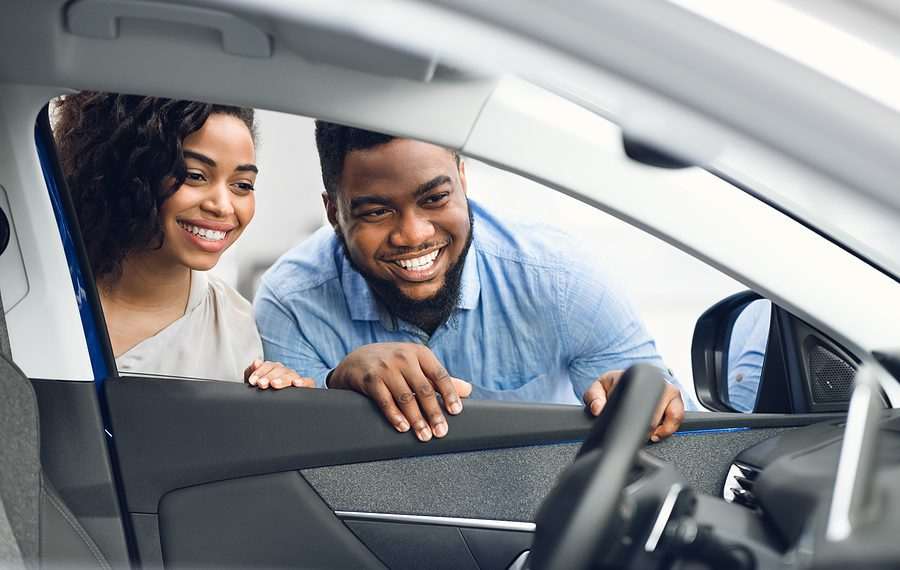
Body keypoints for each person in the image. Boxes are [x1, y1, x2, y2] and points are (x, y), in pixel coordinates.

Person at [254, 122, 687, 441]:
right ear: (334, 213)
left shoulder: (559, 279)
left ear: (463, 181)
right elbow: (290, 466)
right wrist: (336, 384)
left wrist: (643, 400)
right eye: (376, 212)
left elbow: (669, 419)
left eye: (435, 199)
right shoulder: (291, 302)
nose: (414, 234)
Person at [54, 92, 313, 388]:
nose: (223, 206)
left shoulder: (235, 326)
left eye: (242, 185)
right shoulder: (41, 287)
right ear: (131, 171)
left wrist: (280, 407)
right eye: (195, 176)